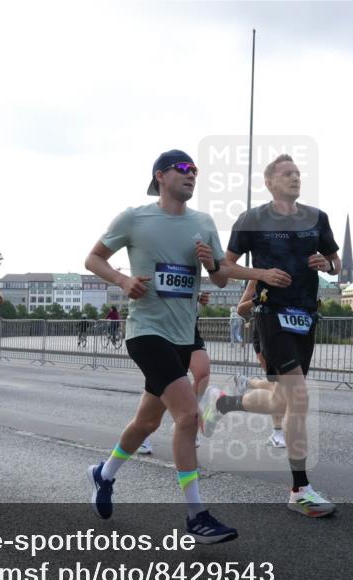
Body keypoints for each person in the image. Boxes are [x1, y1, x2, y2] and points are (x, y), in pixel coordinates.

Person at [84, 148, 236, 544]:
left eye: (195, 171)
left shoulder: (203, 223)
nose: (191, 175)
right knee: (187, 416)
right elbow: (93, 258)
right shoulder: (135, 218)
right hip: (146, 332)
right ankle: (196, 515)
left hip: (183, 336)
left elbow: (220, 281)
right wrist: (122, 281)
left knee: (147, 422)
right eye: (183, 169)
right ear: (160, 176)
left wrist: (211, 263)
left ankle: (104, 474)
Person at [204, 154, 341, 517]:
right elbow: (225, 266)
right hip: (271, 314)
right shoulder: (252, 219)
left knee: (284, 401)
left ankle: (222, 403)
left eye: (298, 172)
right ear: (269, 182)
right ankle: (300, 489)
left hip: (306, 316)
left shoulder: (317, 218)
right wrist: (262, 275)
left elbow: (338, 263)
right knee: (298, 398)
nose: (295, 178)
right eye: (287, 174)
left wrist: (327, 265)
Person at [137, 292, 212, 455]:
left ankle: (186, 420)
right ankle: (141, 434)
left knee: (203, 372)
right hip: (163, 327)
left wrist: (197, 296)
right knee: (160, 389)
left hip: (188, 326)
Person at [235, 279, 286, 448]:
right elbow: (241, 308)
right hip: (265, 333)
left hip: (290, 335)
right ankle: (277, 432)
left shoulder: (297, 271)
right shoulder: (257, 277)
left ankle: (245, 383)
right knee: (280, 385)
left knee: (280, 386)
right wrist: (259, 299)